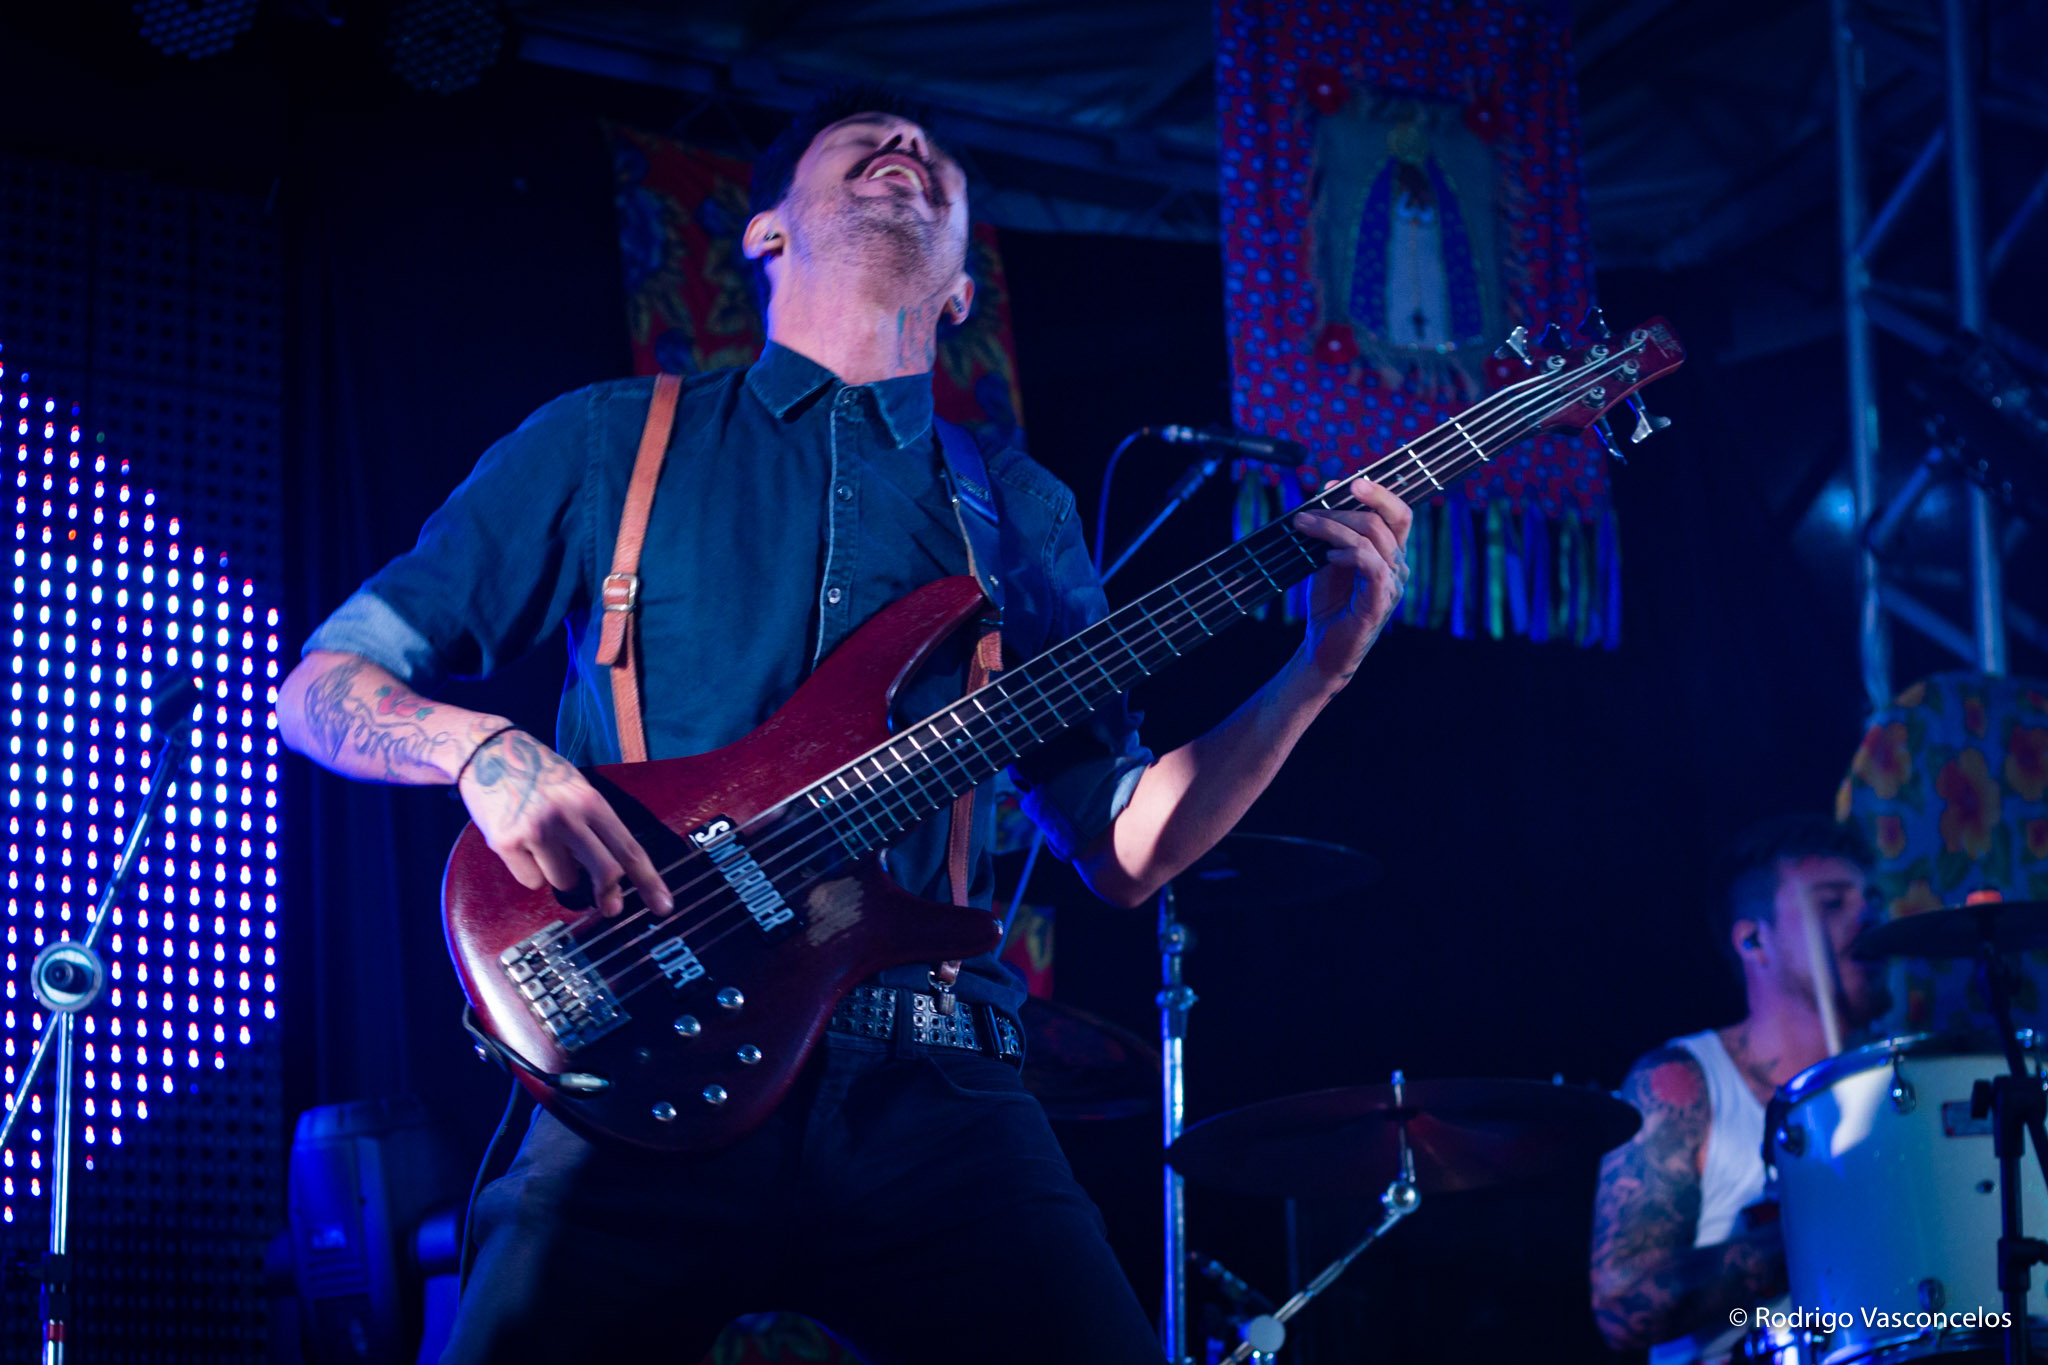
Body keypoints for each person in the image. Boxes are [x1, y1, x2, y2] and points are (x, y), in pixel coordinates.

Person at [276, 87, 1414, 1364]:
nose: (906, 146)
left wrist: (1315, 671)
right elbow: (321, 688)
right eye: (863, 141)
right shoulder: (607, 443)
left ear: (963, 289)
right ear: (763, 232)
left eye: (933, 155)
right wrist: (482, 754)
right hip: (637, 1063)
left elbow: (1121, 847)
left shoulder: (1018, 512)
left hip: (933, 1090)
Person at [1589, 815, 1885, 1362]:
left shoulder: (1899, 1082)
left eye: (1873, 900)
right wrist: (1816, 1230)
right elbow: (1621, 1306)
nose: (1868, 917)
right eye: (1832, 903)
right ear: (1754, 940)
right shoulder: (1682, 1081)